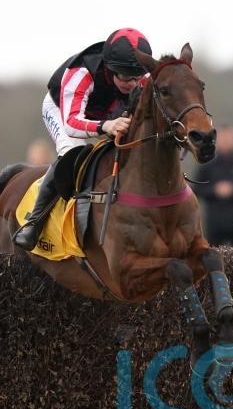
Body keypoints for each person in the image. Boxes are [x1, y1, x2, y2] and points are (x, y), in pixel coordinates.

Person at [13, 28, 152, 250]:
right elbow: (71, 124)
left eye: (137, 78)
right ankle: (33, 222)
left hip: (105, 111)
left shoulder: (141, 79)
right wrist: (106, 126)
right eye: (126, 77)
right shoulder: (82, 73)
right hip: (63, 110)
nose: (133, 84)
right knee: (72, 152)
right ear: (110, 68)